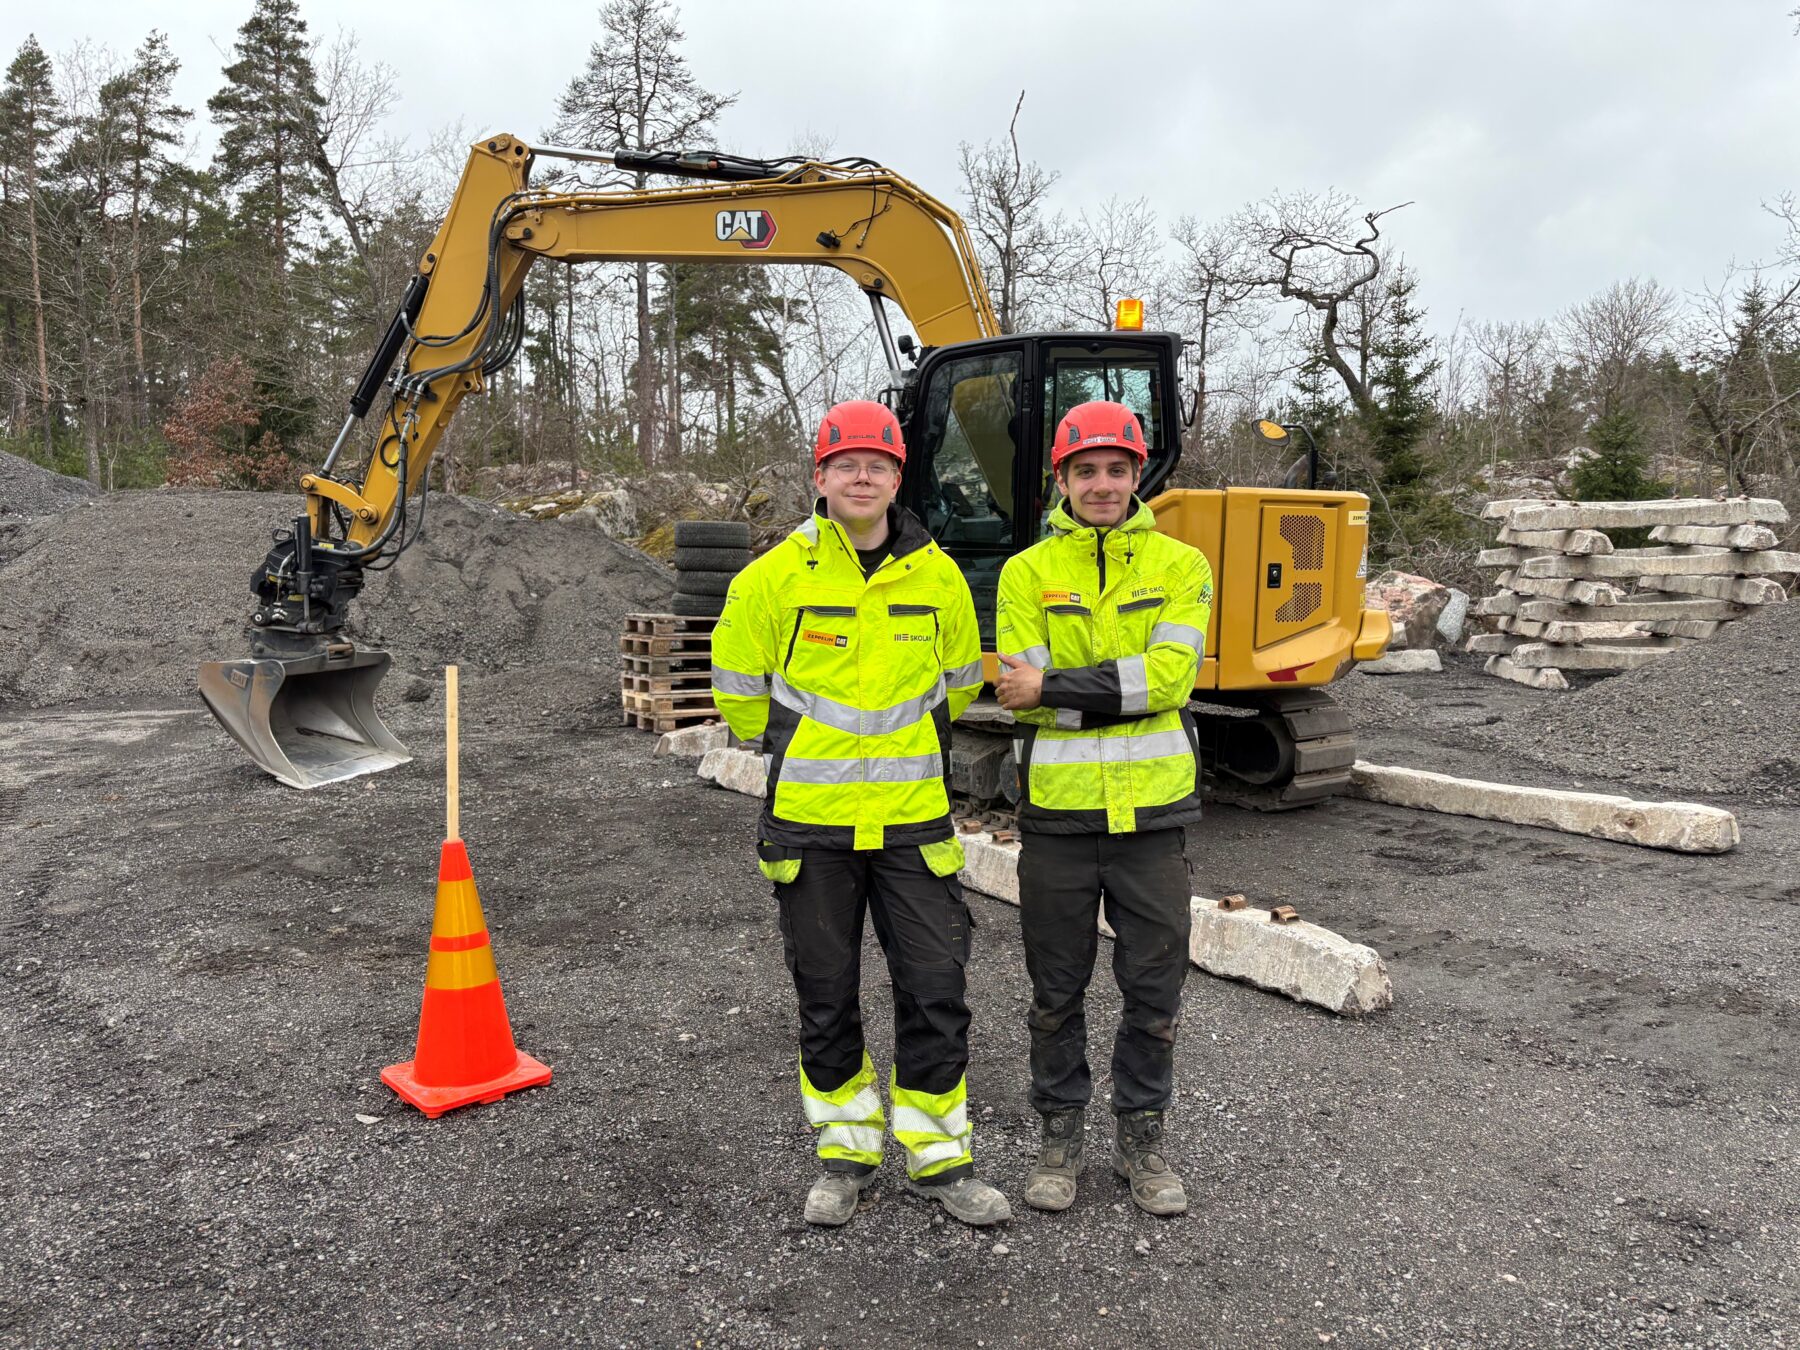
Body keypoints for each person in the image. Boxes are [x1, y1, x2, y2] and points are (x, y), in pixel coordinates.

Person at [710, 399, 1011, 1228]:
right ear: (821, 476)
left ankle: (941, 1161)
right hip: (812, 828)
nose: (864, 474)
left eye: (879, 462)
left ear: (897, 476)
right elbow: (737, 690)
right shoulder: (776, 577)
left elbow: (961, 682)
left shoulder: (939, 575)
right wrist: (805, 745)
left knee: (936, 988)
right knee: (826, 994)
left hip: (914, 824)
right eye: (848, 463)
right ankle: (845, 1156)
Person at [992, 399, 1214, 1217]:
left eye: (1116, 469)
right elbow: (1022, 700)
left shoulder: (1183, 566)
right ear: (1063, 477)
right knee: (1056, 992)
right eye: (1085, 470)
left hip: (1153, 824)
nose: (1102, 483)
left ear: (1137, 474)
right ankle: (1059, 1138)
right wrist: (1099, 692)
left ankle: (1142, 1142)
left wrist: (1057, 686)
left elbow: (1171, 681)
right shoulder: (1024, 575)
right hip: (1058, 820)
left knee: (1152, 994)